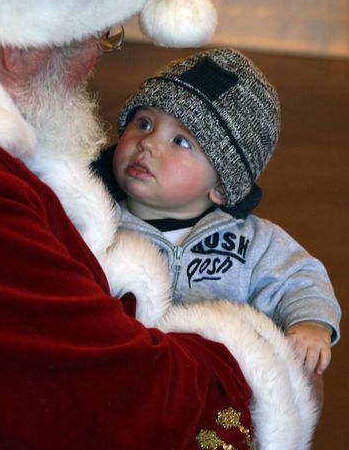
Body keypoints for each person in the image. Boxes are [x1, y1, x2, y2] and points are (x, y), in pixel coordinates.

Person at [0, 0, 319, 449]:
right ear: (26, 42)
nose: (99, 59)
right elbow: (116, 412)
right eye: (104, 34)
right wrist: (265, 376)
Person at [105, 48, 341, 378]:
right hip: (122, 378)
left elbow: (299, 278)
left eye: (180, 141)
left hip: (216, 391)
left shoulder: (254, 243)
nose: (148, 144)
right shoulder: (98, 226)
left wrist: (310, 323)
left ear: (221, 187)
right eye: (143, 123)